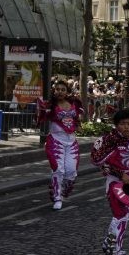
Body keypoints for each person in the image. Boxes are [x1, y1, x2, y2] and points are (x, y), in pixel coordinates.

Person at [90, 109, 129, 255]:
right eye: (122, 124)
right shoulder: (109, 140)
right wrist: (120, 174)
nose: (127, 127)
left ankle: (109, 243)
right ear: (116, 125)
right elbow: (98, 161)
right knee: (121, 215)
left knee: (124, 216)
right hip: (115, 183)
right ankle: (116, 252)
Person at [36, 81, 84, 210]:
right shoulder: (50, 105)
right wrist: (41, 109)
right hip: (56, 141)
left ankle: (62, 191)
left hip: (71, 141)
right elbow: (40, 117)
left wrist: (78, 125)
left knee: (72, 172)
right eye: (57, 89)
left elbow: (77, 119)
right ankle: (57, 197)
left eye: (63, 89)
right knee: (58, 170)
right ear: (54, 91)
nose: (60, 91)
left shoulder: (74, 104)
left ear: (67, 91)